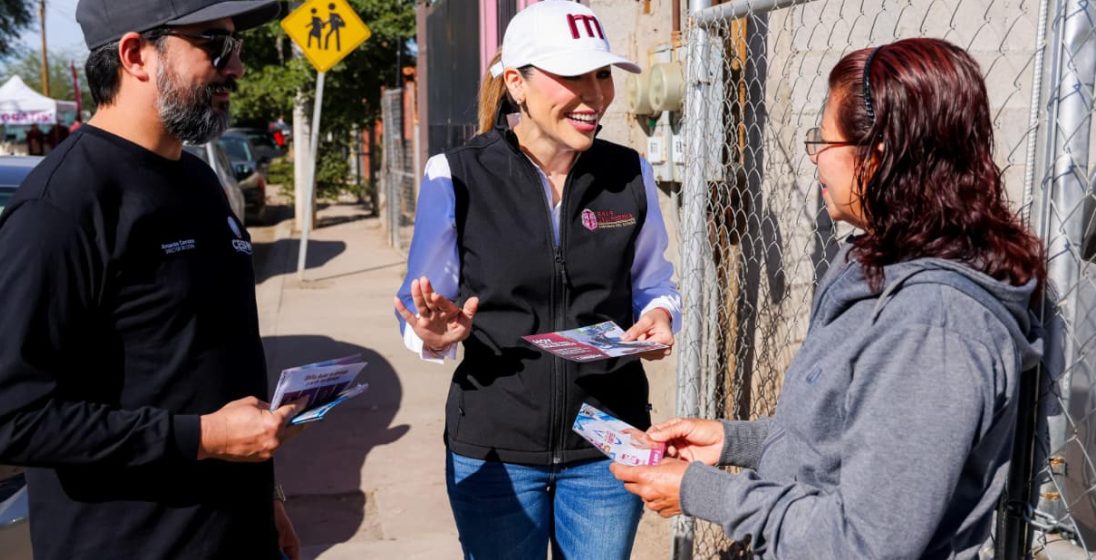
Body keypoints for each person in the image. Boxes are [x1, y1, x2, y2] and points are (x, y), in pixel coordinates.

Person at [611, 38, 1048, 559]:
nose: (816, 157)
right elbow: (853, 436)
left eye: (824, 142)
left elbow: (865, 543)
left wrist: (700, 491)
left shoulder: (934, 326)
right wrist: (732, 442)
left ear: (877, 158)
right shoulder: (877, 262)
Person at [0, 1, 304, 559]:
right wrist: (203, 438)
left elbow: (201, 367)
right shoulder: (62, 206)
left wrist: (265, 496)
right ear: (134, 55)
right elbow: (8, 421)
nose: (237, 68)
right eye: (215, 46)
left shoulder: (197, 181)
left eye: (237, 47)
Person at [391, 2, 681, 558]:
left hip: (606, 442)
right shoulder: (454, 175)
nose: (595, 95)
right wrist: (430, 333)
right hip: (495, 450)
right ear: (516, 83)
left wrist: (660, 315)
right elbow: (419, 302)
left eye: (602, 75)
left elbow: (654, 283)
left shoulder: (630, 174)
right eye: (573, 76)